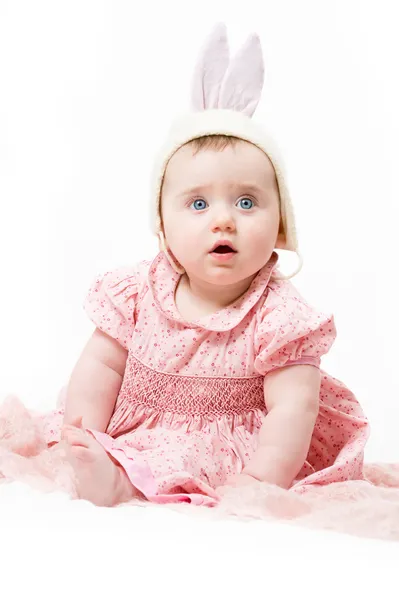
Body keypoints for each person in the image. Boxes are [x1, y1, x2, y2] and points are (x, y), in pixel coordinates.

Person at [2, 23, 370, 507]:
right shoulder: (136, 291)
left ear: (281, 225)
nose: (223, 221)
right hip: (135, 426)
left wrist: (260, 486)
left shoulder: (281, 318)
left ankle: (119, 485)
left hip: (230, 450)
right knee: (96, 443)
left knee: (186, 469)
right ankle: (101, 466)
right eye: (198, 205)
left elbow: (292, 410)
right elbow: (101, 365)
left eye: (246, 202)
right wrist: (82, 432)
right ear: (162, 224)